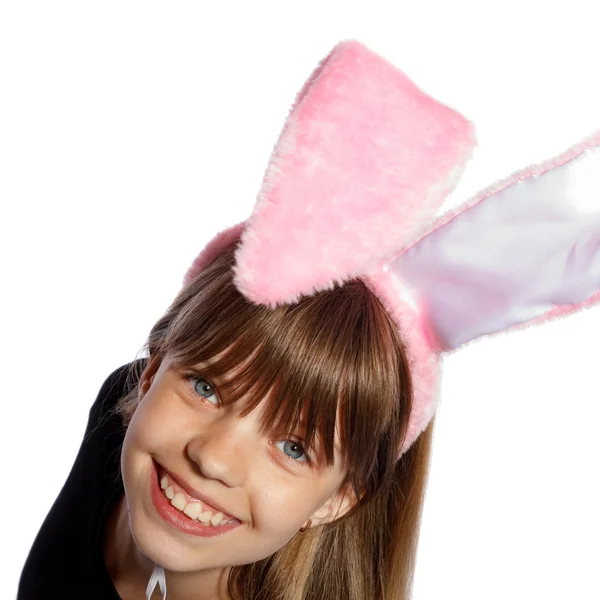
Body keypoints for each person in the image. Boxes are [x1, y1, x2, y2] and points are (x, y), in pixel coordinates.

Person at [17, 39, 600, 600]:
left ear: (339, 498)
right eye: (205, 386)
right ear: (150, 375)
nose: (214, 458)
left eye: (294, 448)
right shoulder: (114, 420)